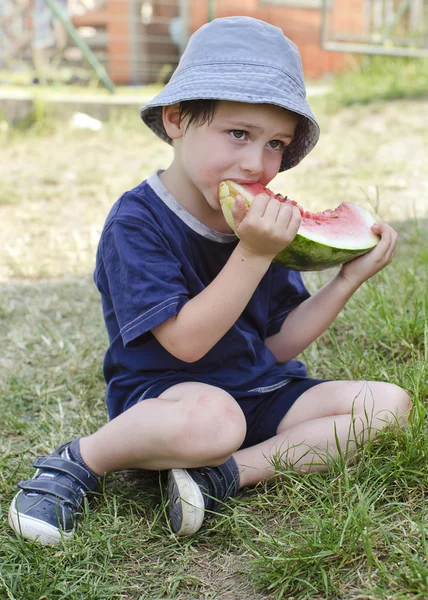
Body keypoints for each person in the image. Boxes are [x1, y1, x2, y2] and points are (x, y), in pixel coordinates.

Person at [9, 16, 411, 546]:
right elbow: (187, 342)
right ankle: (79, 461)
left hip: (261, 392)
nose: (257, 163)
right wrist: (253, 252)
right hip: (173, 401)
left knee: (388, 405)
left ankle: (222, 476)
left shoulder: (258, 221)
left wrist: (345, 281)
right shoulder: (138, 222)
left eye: (275, 144)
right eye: (238, 134)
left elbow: (277, 341)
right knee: (214, 423)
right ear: (176, 119)